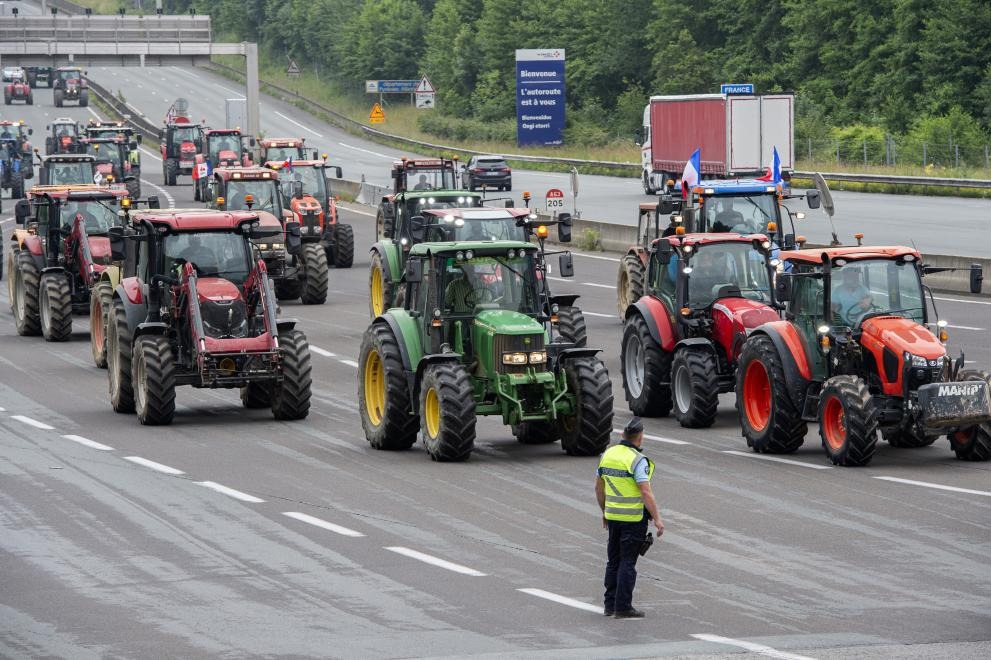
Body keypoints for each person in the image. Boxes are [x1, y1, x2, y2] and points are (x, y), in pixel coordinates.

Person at [595, 417, 664, 619]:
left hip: (613, 516)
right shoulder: (636, 460)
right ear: (640, 438)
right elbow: (645, 492)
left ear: (622, 435)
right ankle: (623, 607)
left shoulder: (607, 455)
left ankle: (609, 605)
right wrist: (657, 518)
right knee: (627, 562)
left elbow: (598, 487)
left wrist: (604, 512)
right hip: (633, 519)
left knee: (613, 561)